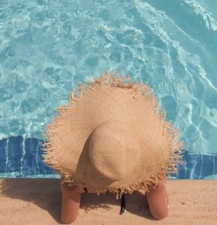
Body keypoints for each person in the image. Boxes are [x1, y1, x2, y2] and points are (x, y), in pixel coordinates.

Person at [43, 72, 183, 223]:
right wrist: (158, 187)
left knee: (70, 191)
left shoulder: (76, 185)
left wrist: (68, 191)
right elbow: (160, 214)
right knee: (157, 187)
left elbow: (67, 219)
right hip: (140, 178)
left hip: (87, 186)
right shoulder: (149, 180)